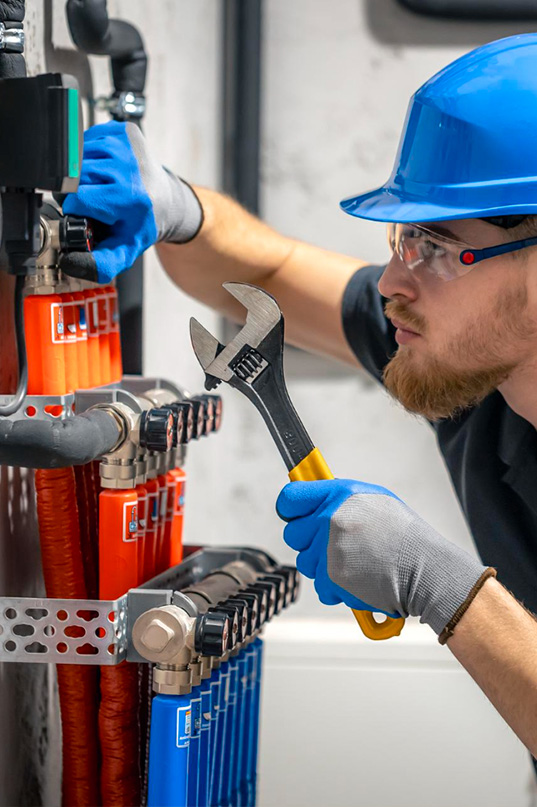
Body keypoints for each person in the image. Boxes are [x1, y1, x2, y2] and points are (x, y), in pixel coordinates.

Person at [61, 34, 537, 759]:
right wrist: (178, 207)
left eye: (436, 249)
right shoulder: (475, 358)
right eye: (402, 239)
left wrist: (446, 589)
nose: (391, 283)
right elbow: (267, 271)